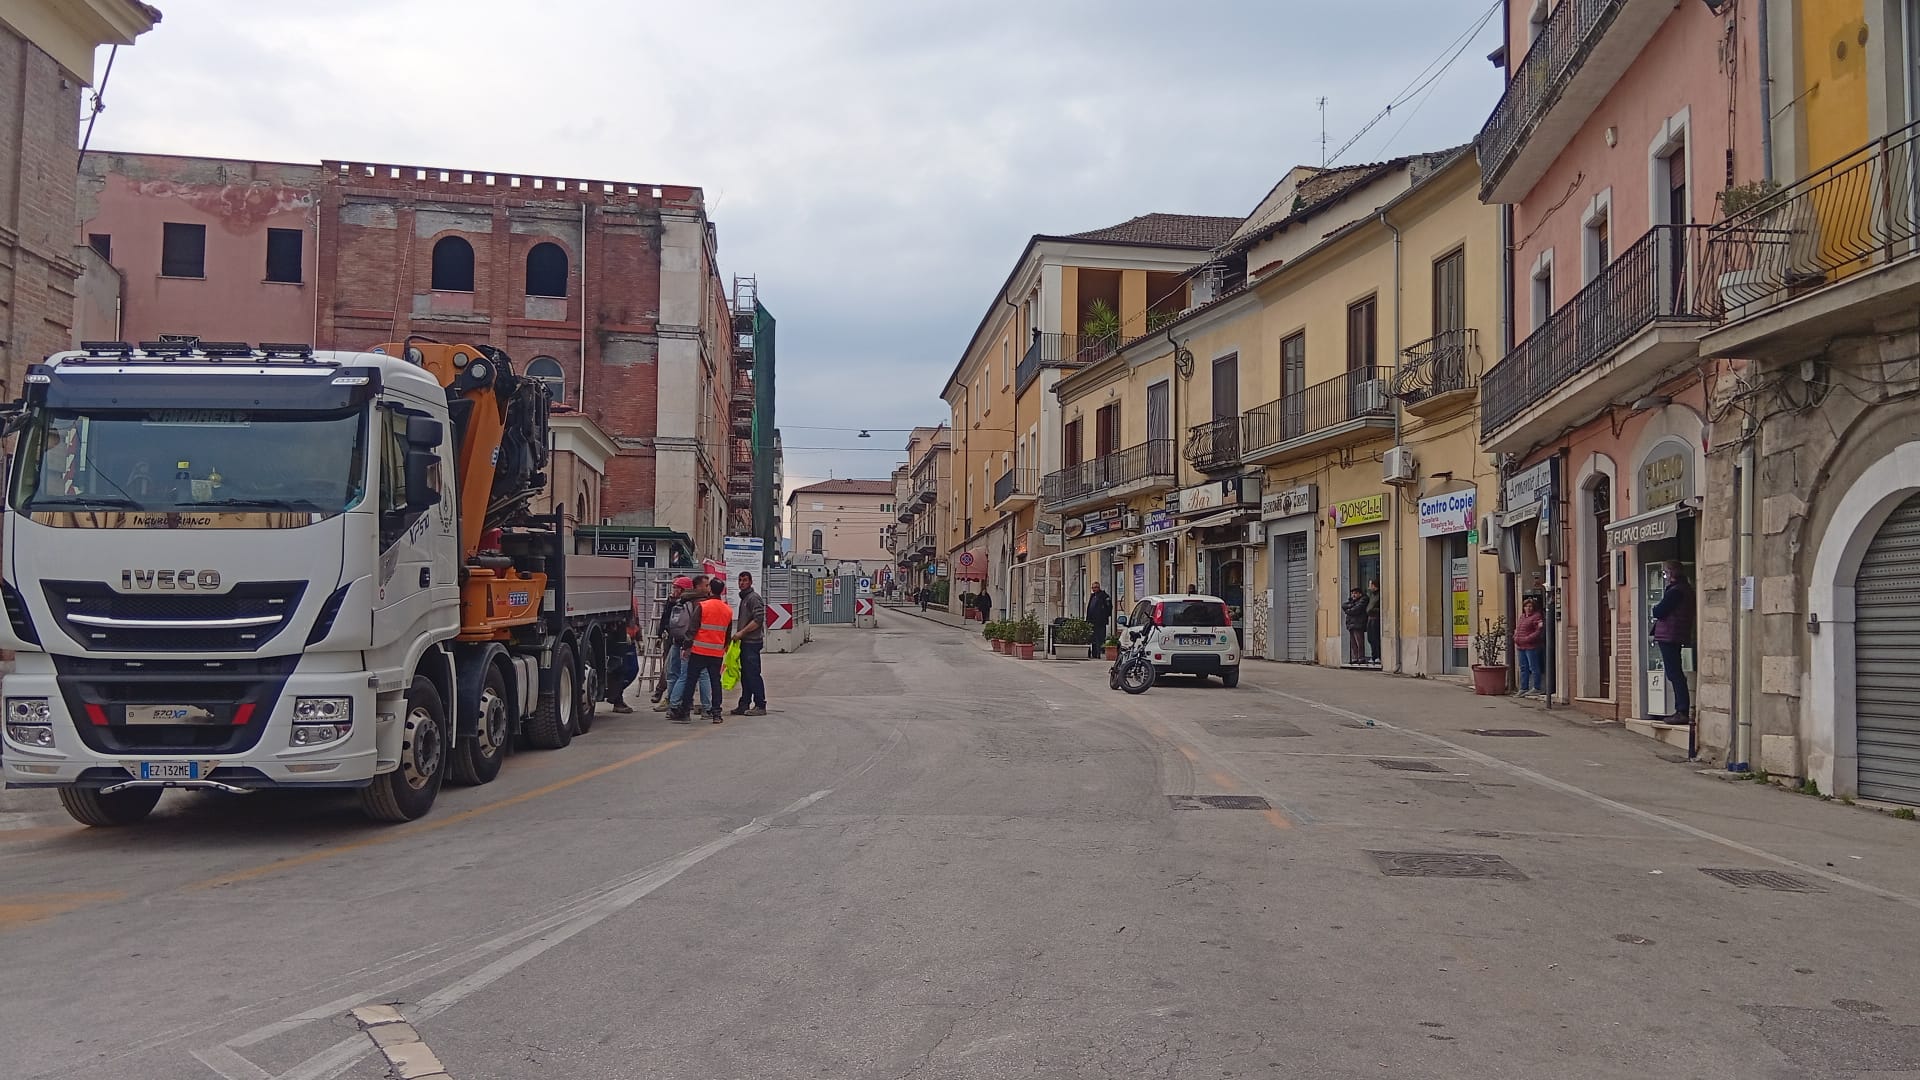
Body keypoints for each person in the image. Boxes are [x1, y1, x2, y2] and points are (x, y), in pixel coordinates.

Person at [673, 577, 731, 724]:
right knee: (715, 682)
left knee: (691, 681)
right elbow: (727, 634)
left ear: (710, 589)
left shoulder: (703, 606)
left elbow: (692, 629)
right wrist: (723, 648)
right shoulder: (727, 610)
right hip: (716, 652)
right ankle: (716, 713)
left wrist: (686, 647)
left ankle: (685, 712)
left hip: (699, 651)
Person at [1649, 561, 1695, 725]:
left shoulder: (1676, 591)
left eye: (1666, 573)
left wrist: (1656, 609)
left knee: (1674, 673)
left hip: (1670, 635)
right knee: (1675, 673)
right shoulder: (1684, 588)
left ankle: (1681, 710)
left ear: (1672, 573)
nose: (1665, 576)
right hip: (1674, 634)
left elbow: (1659, 610)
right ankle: (1680, 709)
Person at [666, 574, 712, 717]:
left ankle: (673, 705)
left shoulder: (683, 600)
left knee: (680, 675)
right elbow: (697, 626)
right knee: (702, 674)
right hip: (695, 643)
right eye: (706, 585)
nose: (708, 588)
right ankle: (707, 708)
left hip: (680, 642)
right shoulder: (700, 603)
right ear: (698, 586)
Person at [651, 576, 692, 711]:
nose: (673, 590)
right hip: (672, 639)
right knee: (671, 669)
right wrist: (659, 634)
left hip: (685, 641)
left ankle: (677, 699)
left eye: (676, 587)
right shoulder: (671, 601)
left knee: (681, 672)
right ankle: (670, 697)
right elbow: (665, 617)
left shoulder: (689, 604)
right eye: (673, 587)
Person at [732, 571, 768, 716]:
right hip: (745, 642)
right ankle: (744, 703)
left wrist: (742, 632)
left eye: (745, 580)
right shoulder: (745, 598)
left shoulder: (753, 598)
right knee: (746, 675)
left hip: (752, 642)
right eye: (740, 580)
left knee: (753, 674)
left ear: (751, 582)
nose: (741, 583)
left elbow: (758, 620)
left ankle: (760, 704)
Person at [1513, 595, 1546, 699]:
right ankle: (1523, 688)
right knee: (1523, 668)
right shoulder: (1522, 617)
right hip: (1520, 646)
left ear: (1534, 607)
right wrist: (1515, 636)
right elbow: (1518, 628)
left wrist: (1528, 638)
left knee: (1533, 667)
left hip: (1532, 646)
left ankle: (1536, 687)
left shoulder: (1537, 617)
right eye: (1526, 606)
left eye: (1530, 606)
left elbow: (1539, 631)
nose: (1528, 608)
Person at [1342, 588, 1370, 667]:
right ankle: (1355, 658)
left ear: (1360, 594)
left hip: (1358, 623)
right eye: (1352, 593)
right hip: (1351, 624)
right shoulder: (1352, 601)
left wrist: (1348, 611)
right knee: (1353, 642)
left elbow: (1356, 610)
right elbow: (1343, 605)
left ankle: (1361, 658)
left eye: (1355, 593)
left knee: (1359, 642)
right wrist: (1351, 606)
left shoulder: (1364, 599)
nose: (1353, 595)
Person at [1085, 581, 1113, 646]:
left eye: (1095, 588)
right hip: (1092, 621)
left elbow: (1109, 607)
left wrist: (1104, 616)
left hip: (1101, 622)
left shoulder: (1104, 596)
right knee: (1093, 638)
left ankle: (1099, 651)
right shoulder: (1092, 596)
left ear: (1098, 587)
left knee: (1100, 637)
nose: (1093, 589)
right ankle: (1095, 652)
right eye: (1092, 588)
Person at [1365, 580, 1383, 669]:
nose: (1369, 587)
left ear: (1374, 585)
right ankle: (1373, 656)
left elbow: (1382, 607)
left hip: (1376, 618)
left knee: (1376, 638)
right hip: (1370, 618)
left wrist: (1373, 610)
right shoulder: (1372, 595)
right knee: (1370, 638)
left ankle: (1378, 656)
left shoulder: (1380, 595)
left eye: (1370, 585)